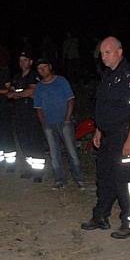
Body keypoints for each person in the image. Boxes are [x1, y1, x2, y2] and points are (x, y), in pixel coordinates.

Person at [81, 37, 130, 239]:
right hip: (107, 136)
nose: (104, 57)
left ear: (119, 52)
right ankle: (101, 216)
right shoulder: (107, 76)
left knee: (125, 179)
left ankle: (129, 222)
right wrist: (99, 130)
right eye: (102, 53)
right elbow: (103, 106)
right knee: (105, 178)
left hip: (123, 135)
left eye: (108, 52)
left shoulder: (129, 75)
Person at [33, 58, 85, 191]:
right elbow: (38, 107)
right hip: (49, 125)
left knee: (72, 152)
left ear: (50, 67)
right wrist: (44, 124)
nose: (43, 70)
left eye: (44, 67)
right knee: (54, 155)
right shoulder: (39, 87)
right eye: (40, 68)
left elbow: (70, 99)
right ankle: (60, 180)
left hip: (64, 122)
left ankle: (79, 179)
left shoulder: (61, 81)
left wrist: (67, 118)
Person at [7, 51, 46, 183]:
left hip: (32, 114)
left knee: (36, 142)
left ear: (30, 62)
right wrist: (21, 93)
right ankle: (31, 169)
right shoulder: (17, 77)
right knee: (25, 143)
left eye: (25, 60)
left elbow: (31, 91)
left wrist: (17, 93)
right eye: (20, 60)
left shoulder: (34, 75)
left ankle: (39, 172)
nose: (22, 63)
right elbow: (9, 93)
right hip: (20, 114)